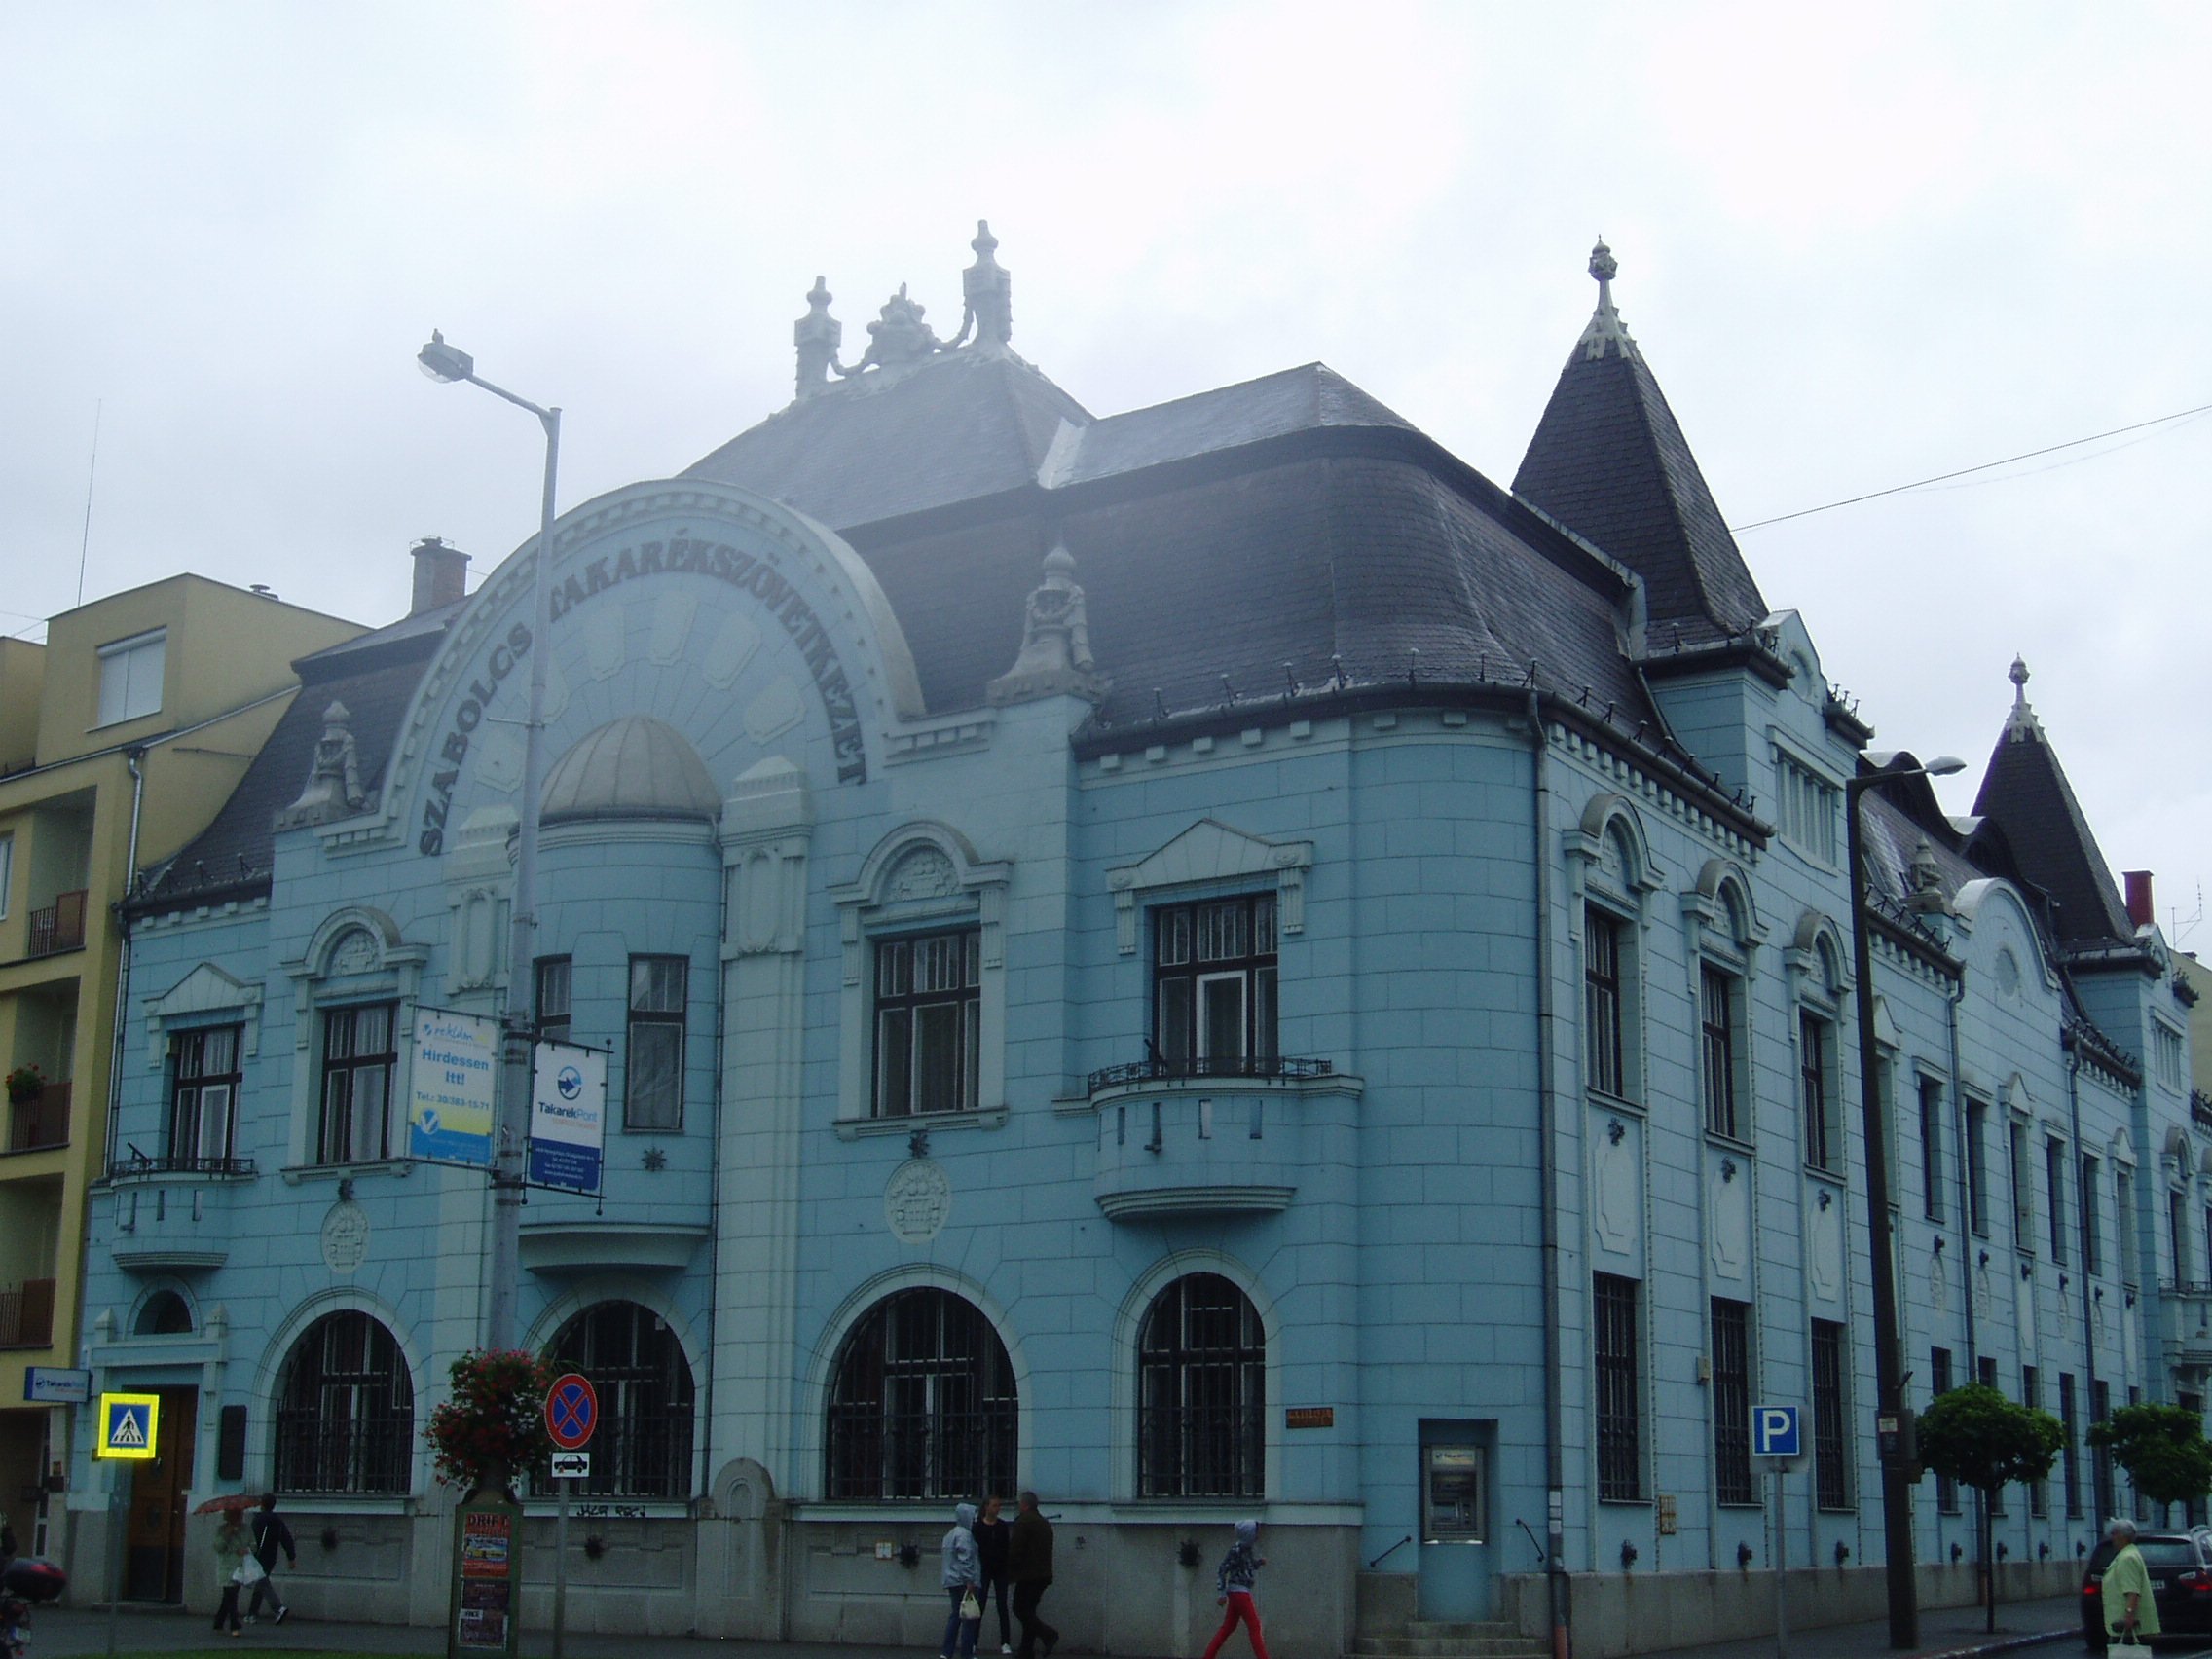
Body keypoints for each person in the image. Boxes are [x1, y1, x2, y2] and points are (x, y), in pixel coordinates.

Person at [1202, 1520, 1269, 1659]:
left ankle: (1208, 1656)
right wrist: (1221, 1593)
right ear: (1249, 1534)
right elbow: (1222, 1569)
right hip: (1240, 1592)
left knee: (1228, 1627)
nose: (1259, 1534)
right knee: (1254, 1625)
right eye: (1257, 1532)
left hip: (1238, 1591)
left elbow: (1247, 1566)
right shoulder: (1237, 1551)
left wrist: (1259, 1563)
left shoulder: (1247, 1550)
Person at [1007, 1491, 1057, 1659]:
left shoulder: (1024, 1522)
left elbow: (1016, 1550)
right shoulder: (1043, 1523)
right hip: (1043, 1575)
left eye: (1020, 1504)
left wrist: (1009, 1572)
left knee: (1020, 1610)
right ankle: (1026, 1651)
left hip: (1028, 1575)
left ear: (1025, 1505)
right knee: (1029, 1612)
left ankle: (1048, 1634)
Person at [2102, 1517, 2160, 1645]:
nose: (2112, 1538)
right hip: (2130, 1625)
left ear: (2122, 1536)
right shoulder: (2129, 1554)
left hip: (2128, 1626)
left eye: (2114, 1534)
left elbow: (2132, 1591)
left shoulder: (2127, 1558)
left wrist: (2129, 1618)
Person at [939, 1501, 983, 1659]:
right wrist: (969, 1580)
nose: (975, 1520)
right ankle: (967, 1653)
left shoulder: (950, 1534)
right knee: (969, 1618)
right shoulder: (965, 1535)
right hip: (964, 1582)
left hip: (952, 1580)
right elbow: (965, 1558)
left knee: (955, 1616)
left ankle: (947, 1652)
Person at [245, 1493, 295, 1625]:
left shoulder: (258, 1520)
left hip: (259, 1556)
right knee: (260, 1583)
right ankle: (252, 1614)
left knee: (262, 1584)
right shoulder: (277, 1520)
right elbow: (286, 1538)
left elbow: (253, 1539)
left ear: (262, 1504)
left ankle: (278, 1608)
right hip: (271, 1557)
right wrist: (291, 1557)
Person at [975, 1494, 1014, 1654]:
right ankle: (973, 1641)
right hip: (984, 1569)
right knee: (980, 1605)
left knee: (1002, 1605)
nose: (998, 1509)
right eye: (995, 1506)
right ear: (987, 1507)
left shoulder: (1002, 1526)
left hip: (1000, 1569)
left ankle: (1005, 1642)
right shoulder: (978, 1526)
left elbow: (1006, 1548)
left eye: (999, 1506)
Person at [210, 1514, 253, 1637]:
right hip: (226, 1568)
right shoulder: (221, 1529)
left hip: (241, 1567)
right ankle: (235, 1625)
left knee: (228, 1597)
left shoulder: (246, 1529)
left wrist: (247, 1549)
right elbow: (218, 1547)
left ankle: (218, 1623)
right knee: (231, 1595)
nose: (238, 1518)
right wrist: (226, 1534)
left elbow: (254, 1544)